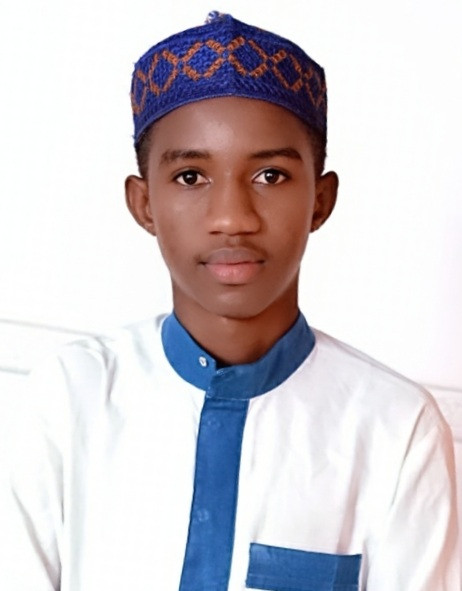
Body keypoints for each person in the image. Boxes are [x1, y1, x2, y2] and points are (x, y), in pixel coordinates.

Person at [1, 11, 459, 591]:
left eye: (270, 176)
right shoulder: (71, 398)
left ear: (320, 200)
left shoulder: (396, 429)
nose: (232, 218)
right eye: (191, 177)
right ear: (144, 204)